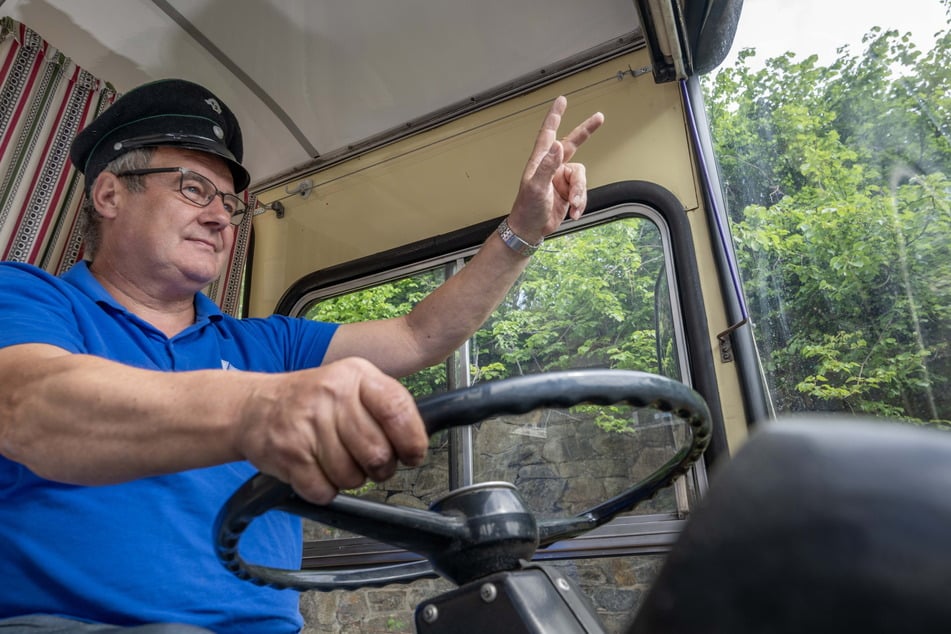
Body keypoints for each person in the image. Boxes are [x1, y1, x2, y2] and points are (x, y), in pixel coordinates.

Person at [0, 78, 603, 633]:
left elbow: (421, 335)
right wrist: (260, 409)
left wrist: (522, 231)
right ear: (109, 193)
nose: (219, 216)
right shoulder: (29, 297)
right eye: (194, 188)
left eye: (231, 205)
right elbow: (30, 402)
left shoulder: (270, 344)